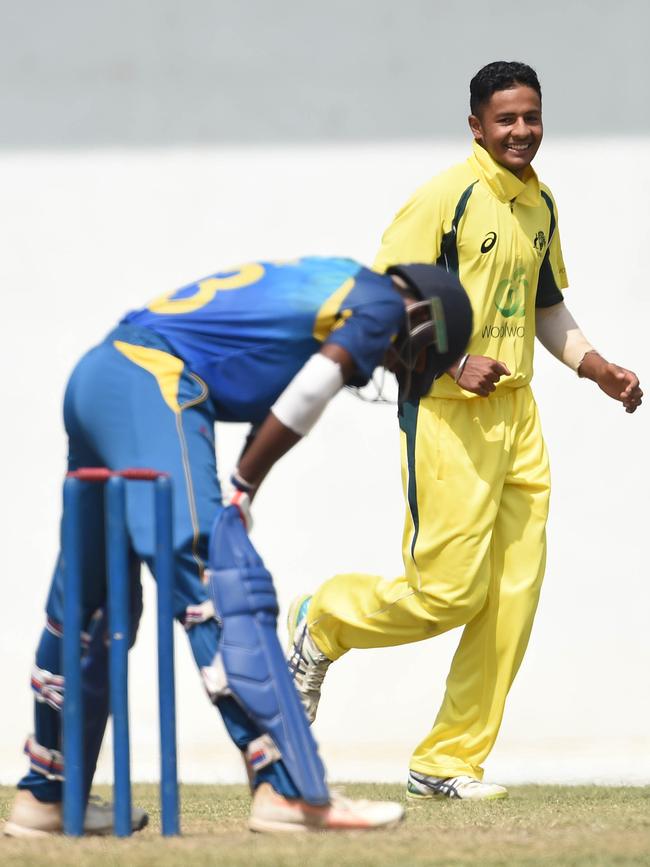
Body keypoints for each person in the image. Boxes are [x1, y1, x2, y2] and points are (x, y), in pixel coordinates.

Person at [4, 255, 472, 836]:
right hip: (152, 374)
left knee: (91, 601)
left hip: (101, 376)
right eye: (405, 357)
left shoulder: (334, 280)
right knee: (212, 569)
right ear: (423, 319)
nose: (386, 362)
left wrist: (243, 485)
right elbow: (311, 388)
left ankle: (47, 796)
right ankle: (288, 788)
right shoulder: (380, 302)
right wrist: (245, 485)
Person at [287, 62, 643, 802]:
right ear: (476, 125)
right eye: (505, 119)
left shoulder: (539, 203)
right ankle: (325, 617)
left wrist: (595, 366)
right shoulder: (446, 197)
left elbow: (545, 306)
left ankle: (446, 760)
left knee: (513, 596)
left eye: (531, 117)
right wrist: (449, 366)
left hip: (519, 417)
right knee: (446, 594)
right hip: (446, 416)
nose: (521, 131)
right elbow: (375, 303)